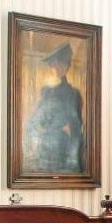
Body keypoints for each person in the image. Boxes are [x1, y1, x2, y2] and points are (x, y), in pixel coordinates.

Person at [24, 43, 84, 172]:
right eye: (53, 64)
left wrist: (73, 159)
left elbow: (76, 129)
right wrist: (35, 142)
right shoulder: (46, 91)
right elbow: (33, 121)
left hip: (62, 149)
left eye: (59, 64)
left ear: (66, 66)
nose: (55, 68)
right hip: (43, 149)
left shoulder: (72, 93)